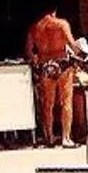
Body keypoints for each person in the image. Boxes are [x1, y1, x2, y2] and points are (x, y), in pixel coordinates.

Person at [26, 9, 80, 148]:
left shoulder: (35, 28)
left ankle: (49, 137)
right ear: (54, 11)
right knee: (66, 101)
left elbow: (29, 51)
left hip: (46, 65)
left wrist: (37, 60)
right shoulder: (61, 24)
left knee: (47, 104)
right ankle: (66, 138)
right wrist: (80, 50)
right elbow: (73, 45)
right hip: (62, 63)